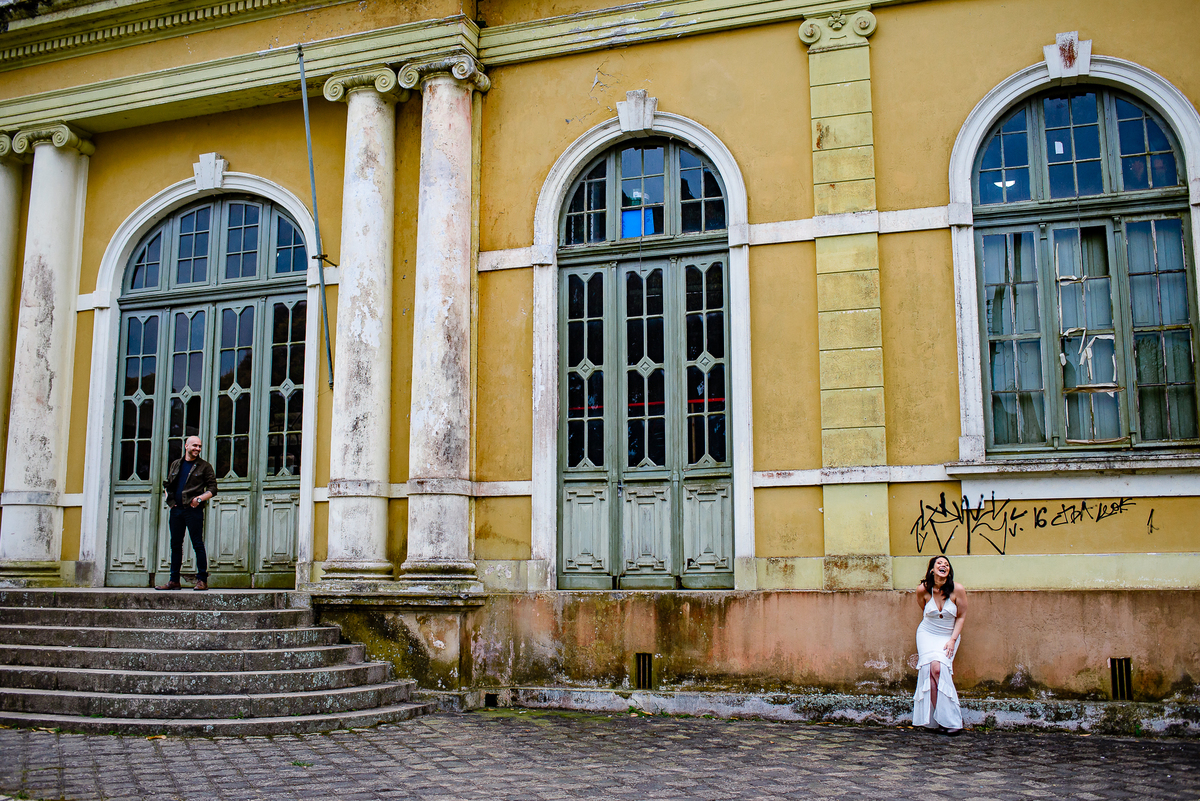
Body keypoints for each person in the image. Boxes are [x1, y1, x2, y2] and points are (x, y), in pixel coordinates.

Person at [912, 555, 966, 734]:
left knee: (939, 669)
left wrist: (952, 640)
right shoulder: (923, 590)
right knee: (929, 671)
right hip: (927, 633)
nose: (944, 566)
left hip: (948, 635)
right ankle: (939, 720)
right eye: (939, 563)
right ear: (932, 570)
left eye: (947, 564)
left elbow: (961, 616)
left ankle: (953, 720)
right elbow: (924, 612)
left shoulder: (957, 589)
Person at [156, 435, 218, 591]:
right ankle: (174, 581)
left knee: (197, 544)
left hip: (193, 511)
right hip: (176, 510)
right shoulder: (176, 464)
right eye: (195, 446)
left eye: (199, 446)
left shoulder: (205, 466)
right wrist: (169, 502)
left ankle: (202, 580)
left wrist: (199, 499)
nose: (197, 448)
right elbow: (167, 484)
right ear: (186, 446)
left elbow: (213, 489)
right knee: (175, 545)